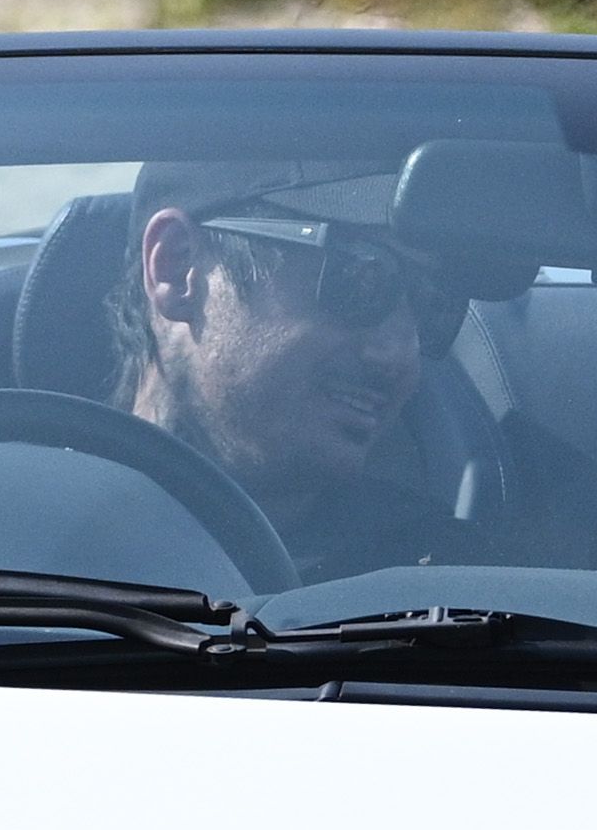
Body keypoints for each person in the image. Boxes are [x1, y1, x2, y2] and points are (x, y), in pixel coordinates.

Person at [105, 161, 477, 578]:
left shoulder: (451, 582)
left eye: (431, 308)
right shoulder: (43, 535)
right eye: (361, 280)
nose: (398, 354)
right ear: (178, 267)